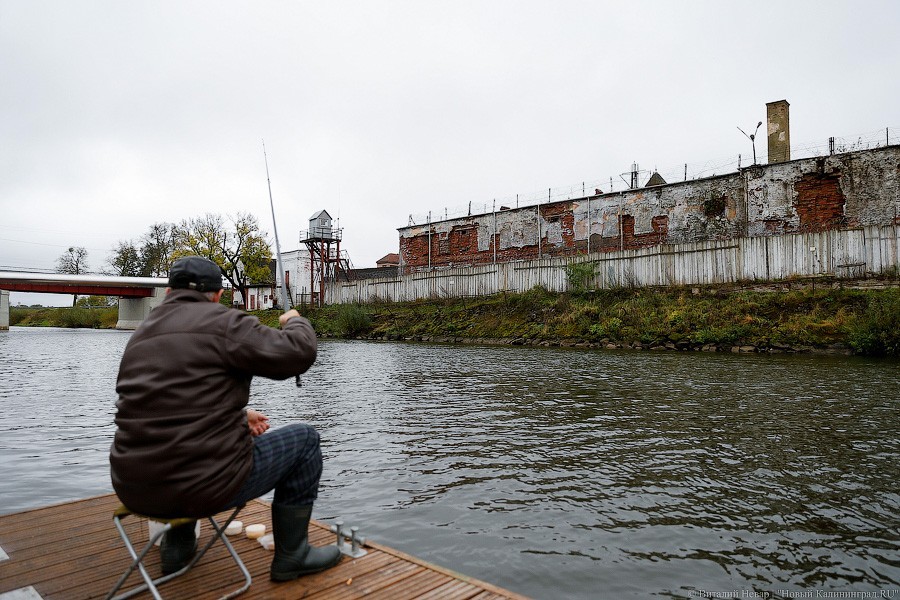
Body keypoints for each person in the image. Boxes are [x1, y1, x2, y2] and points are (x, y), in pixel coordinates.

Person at [110, 256, 340, 581]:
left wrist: (237, 416)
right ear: (217, 294)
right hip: (201, 488)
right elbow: (297, 354)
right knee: (305, 441)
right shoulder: (224, 322)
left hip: (133, 487)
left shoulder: (141, 334)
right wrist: (295, 322)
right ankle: (294, 555)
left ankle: (176, 549)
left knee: (182, 454)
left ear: (171, 290)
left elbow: (166, 404)